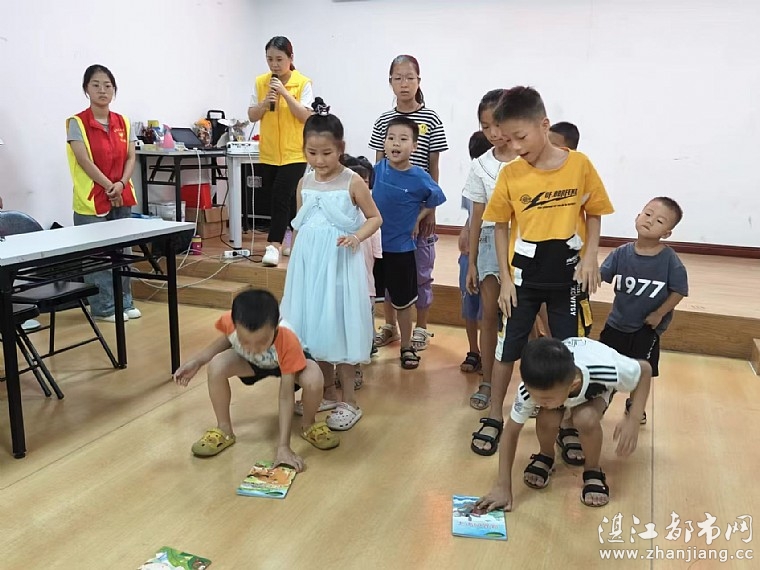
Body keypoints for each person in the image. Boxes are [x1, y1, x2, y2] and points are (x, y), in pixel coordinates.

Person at [470, 86, 614, 457]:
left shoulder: (579, 165)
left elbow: (594, 212)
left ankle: (565, 420)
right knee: (508, 347)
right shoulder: (511, 174)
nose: (515, 146)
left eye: (521, 136)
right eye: (508, 139)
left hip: (567, 278)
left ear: (544, 125)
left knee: (569, 350)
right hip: (523, 280)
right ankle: (495, 414)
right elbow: (500, 225)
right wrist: (505, 279)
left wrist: (590, 257)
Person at [279, 99, 382, 431]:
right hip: (309, 267)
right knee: (316, 326)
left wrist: (356, 237)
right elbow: (300, 224)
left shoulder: (352, 181)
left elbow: (375, 218)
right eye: (312, 153)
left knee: (340, 324)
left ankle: (349, 401)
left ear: (341, 148)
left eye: (327, 153)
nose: (319, 160)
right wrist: (295, 260)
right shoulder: (305, 182)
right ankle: (325, 393)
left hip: (339, 265)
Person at [476, 336, 652, 510]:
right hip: (564, 385)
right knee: (548, 416)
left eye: (545, 398)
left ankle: (592, 469)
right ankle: (546, 455)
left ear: (573, 385)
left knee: (585, 418)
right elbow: (510, 432)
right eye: (535, 396)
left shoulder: (606, 370)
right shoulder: (531, 390)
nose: (538, 402)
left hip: (595, 389)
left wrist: (633, 419)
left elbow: (645, 370)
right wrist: (502, 486)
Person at [174, 289, 339, 471]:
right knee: (217, 365)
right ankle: (224, 429)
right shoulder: (232, 321)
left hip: (288, 361)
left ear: (276, 326)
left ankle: (308, 424)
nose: (253, 348)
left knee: (314, 378)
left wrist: (283, 447)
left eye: (261, 342)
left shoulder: (287, 339)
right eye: (245, 341)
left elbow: (286, 395)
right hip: (253, 363)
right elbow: (225, 340)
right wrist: (197, 361)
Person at [370, 54, 448, 352]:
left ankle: (421, 328)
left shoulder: (431, 119)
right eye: (398, 78)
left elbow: (434, 167)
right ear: (390, 82)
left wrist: (430, 212)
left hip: (418, 209)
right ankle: (390, 326)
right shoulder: (383, 121)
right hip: (386, 216)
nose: (404, 84)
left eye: (410, 78)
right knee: (388, 269)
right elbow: (377, 172)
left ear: (419, 81)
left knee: (421, 271)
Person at [600, 197, 688, 424]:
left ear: (667, 233)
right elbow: (601, 275)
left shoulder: (669, 259)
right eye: (647, 214)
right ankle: (600, 400)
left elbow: (679, 290)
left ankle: (634, 404)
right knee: (606, 365)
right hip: (616, 323)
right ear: (637, 216)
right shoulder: (621, 253)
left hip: (646, 328)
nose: (650, 221)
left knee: (640, 369)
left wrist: (660, 313)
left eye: (659, 220)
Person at [67, 64, 140, 323]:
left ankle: (125, 302)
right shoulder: (77, 122)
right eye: (96, 85)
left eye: (107, 85)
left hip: (121, 194)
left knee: (123, 251)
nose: (102, 90)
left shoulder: (124, 122)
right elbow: (83, 160)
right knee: (97, 257)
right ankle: (104, 308)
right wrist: (109, 185)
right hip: (91, 200)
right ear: (86, 89)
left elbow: (131, 156)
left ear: (114, 90)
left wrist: (121, 184)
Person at [463, 89, 518, 408]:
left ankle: (535, 383)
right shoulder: (481, 165)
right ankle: (487, 380)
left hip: (524, 242)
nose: (494, 133)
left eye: (498, 124)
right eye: (486, 127)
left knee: (528, 316)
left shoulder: (528, 159)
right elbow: (477, 216)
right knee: (488, 315)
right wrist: (471, 262)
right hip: (487, 241)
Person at [247, 36, 314, 267]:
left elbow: (305, 116)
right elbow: (252, 116)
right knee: (285, 199)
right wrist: (265, 103)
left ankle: (273, 245)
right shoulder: (261, 82)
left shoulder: (302, 83)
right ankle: (294, 240)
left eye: (279, 59)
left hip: (295, 153)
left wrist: (285, 93)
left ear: (290, 58)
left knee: (280, 195)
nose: (274, 64)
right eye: (270, 59)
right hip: (269, 152)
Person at [342, 155, 382, 389]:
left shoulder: (371, 221)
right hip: (340, 284)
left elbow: (375, 259)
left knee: (358, 330)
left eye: (365, 182)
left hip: (364, 286)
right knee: (341, 329)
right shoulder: (339, 218)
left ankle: (355, 369)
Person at [458, 131, 493, 374]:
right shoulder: (474, 177)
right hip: (471, 252)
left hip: (493, 249)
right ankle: (474, 351)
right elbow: (471, 214)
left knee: (491, 309)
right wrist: (465, 229)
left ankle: (492, 354)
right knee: (469, 303)